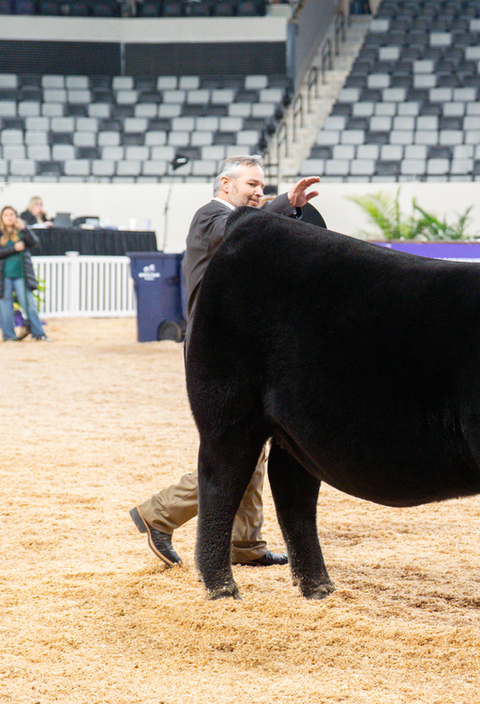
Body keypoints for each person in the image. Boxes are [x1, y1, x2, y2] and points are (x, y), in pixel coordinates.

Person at [130, 155, 320, 568]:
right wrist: (283, 202)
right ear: (225, 184)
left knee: (252, 442)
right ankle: (158, 513)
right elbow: (240, 231)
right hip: (218, 352)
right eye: (252, 184)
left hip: (241, 347)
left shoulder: (245, 223)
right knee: (236, 447)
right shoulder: (211, 216)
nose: (258, 191)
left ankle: (245, 544)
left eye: (262, 185)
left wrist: (294, 210)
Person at [0, 206, 51, 342]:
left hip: (21, 275)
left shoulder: (21, 231)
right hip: (4, 276)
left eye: (12, 214)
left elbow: (34, 243)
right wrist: (13, 248)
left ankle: (39, 333)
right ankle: (9, 336)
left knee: (29, 305)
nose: (9, 217)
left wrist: (24, 229)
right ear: (2, 218)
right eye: (6, 215)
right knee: (5, 307)